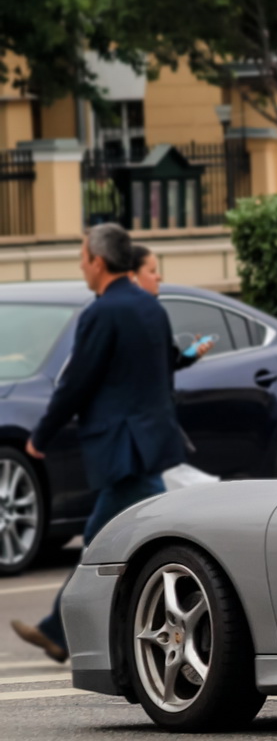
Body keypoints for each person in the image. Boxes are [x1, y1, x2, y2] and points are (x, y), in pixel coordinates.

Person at [10, 224, 186, 662]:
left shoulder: (102, 312)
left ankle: (73, 633)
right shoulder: (151, 307)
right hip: (147, 440)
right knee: (125, 538)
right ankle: (65, 632)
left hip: (123, 446)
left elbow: (75, 383)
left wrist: (40, 437)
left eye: (83, 260)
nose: (82, 268)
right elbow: (164, 374)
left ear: (99, 262)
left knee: (122, 539)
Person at [130, 244, 214, 368]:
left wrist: (192, 355)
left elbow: (168, 363)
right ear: (133, 276)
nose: (159, 277)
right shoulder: (132, 314)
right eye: (152, 271)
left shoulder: (152, 310)